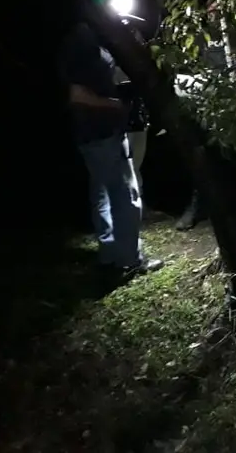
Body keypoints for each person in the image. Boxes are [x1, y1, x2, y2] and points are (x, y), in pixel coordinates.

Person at [60, 18, 164, 276]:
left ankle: (109, 254)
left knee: (102, 193)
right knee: (125, 195)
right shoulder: (81, 44)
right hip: (102, 134)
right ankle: (130, 260)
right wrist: (116, 105)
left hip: (94, 135)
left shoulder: (85, 37)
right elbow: (76, 95)